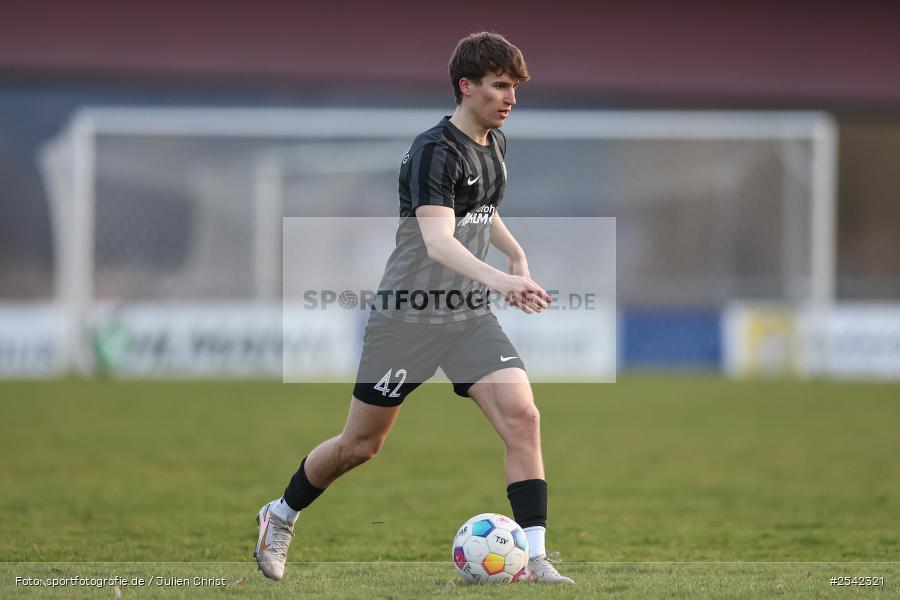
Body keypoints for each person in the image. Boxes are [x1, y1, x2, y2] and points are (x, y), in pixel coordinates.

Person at [255, 31, 573, 585]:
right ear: (466, 86)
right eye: (500, 86)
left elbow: (482, 210)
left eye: (515, 88)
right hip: (407, 317)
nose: (510, 98)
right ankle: (279, 515)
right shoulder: (435, 150)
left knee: (524, 419)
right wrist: (503, 281)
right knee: (361, 445)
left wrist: (517, 256)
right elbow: (438, 241)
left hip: (466, 316)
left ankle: (537, 558)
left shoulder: (495, 143)